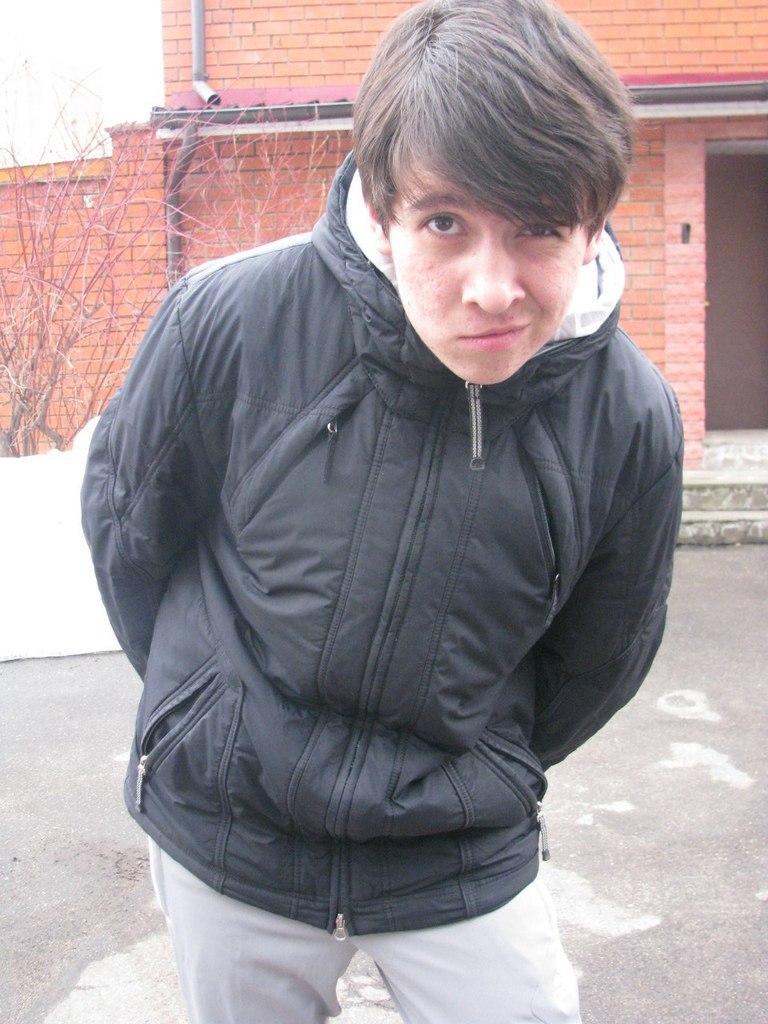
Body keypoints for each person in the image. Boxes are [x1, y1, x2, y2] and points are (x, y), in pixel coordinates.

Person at [81, 0, 683, 1021]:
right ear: (383, 203)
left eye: (539, 228)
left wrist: (485, 762)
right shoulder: (229, 321)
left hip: (460, 853)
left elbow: (599, 658)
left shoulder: (630, 419)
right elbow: (129, 536)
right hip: (230, 833)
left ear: (591, 228)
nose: (491, 288)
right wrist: (214, 710)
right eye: (446, 223)